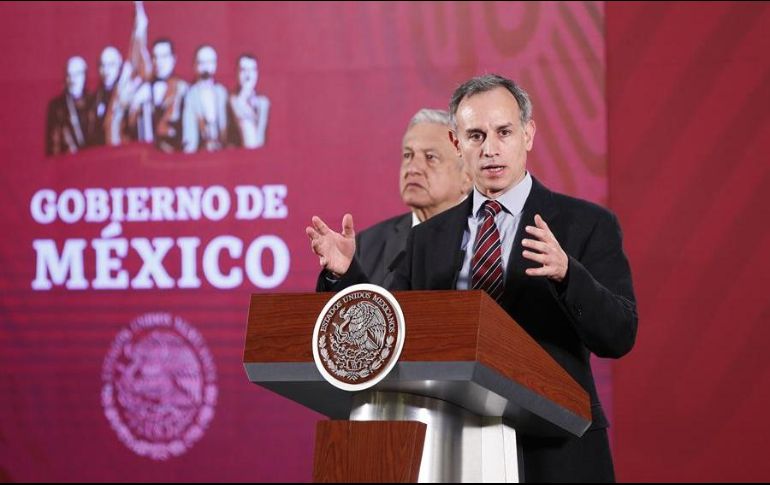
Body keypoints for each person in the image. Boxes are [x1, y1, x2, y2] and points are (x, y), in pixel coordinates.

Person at [306, 74, 637, 482]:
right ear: (457, 143)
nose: (491, 149)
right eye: (476, 135)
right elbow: (389, 334)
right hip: (452, 448)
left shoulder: (585, 224)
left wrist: (569, 275)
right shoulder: (428, 237)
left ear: (528, 135)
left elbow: (619, 334)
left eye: (504, 132)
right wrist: (346, 276)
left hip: (555, 450)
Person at [347, 108, 471, 287]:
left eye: (430, 157)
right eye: (408, 155)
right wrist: (336, 277)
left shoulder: (487, 241)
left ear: (467, 176)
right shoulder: (367, 245)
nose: (413, 168)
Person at [182, 45, 228, 153]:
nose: (206, 68)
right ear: (194, 65)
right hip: (200, 151)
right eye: (201, 63)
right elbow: (189, 132)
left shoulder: (222, 92)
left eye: (209, 62)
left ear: (215, 65)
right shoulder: (190, 95)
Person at [46, 56, 91, 155]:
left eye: (77, 74)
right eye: (69, 75)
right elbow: (54, 145)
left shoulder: (93, 100)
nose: (72, 80)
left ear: (85, 75)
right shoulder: (57, 106)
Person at [227, 54, 270, 149]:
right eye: (243, 70)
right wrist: (244, 94)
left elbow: (259, 139)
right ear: (237, 73)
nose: (248, 75)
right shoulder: (231, 100)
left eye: (252, 70)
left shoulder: (263, 103)